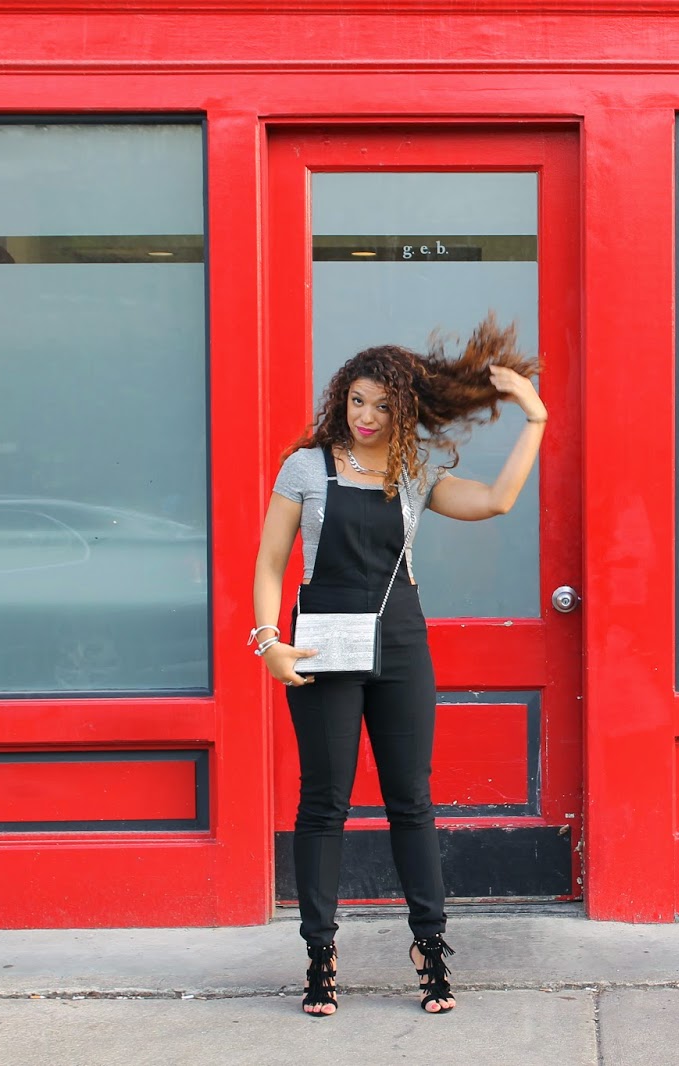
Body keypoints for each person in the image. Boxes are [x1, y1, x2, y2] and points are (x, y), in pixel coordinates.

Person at [249, 316, 546, 1018]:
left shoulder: (415, 471)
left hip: (400, 642)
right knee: (324, 802)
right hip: (322, 644)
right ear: (340, 399)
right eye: (357, 400)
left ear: (404, 409)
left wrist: (534, 417)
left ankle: (430, 945)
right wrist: (269, 642)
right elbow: (269, 562)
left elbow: (496, 501)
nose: (367, 416)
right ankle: (320, 954)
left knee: (411, 799)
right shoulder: (306, 467)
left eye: (383, 405)